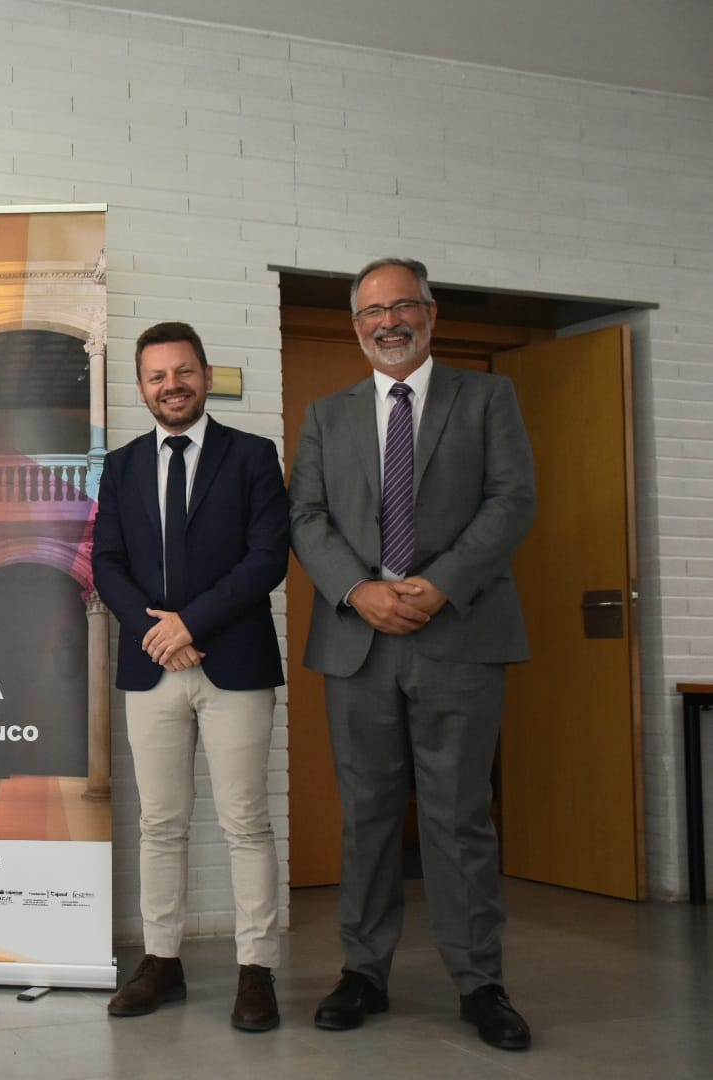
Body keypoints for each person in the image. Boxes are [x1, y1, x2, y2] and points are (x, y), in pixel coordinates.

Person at [289, 257, 537, 1051]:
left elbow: (512, 499)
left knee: (459, 815)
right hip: (357, 642)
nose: (388, 322)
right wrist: (357, 590)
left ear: (431, 315)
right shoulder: (325, 415)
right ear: (355, 326)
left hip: (459, 634)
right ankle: (363, 971)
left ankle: (480, 981)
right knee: (366, 815)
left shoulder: (488, 397)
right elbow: (306, 516)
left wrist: (442, 583)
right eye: (372, 311)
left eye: (403, 306)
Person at [91, 321, 290, 1032]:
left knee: (246, 822)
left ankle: (257, 970)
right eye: (157, 376)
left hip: (234, 663)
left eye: (182, 372)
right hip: (153, 668)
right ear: (141, 387)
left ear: (204, 375)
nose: (170, 385)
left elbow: (267, 558)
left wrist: (190, 625)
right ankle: (162, 961)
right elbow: (106, 562)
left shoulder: (253, 456)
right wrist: (159, 634)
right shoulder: (121, 466)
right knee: (161, 823)